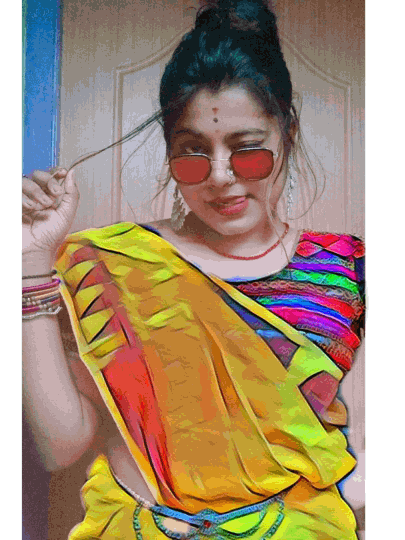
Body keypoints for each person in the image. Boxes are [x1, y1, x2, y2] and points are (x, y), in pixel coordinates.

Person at [22, 1, 365, 538]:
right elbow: (59, 446)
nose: (221, 177)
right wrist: (29, 261)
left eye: (248, 151)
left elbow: (366, 459)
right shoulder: (109, 264)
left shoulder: (348, 269)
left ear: (288, 135)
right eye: (192, 154)